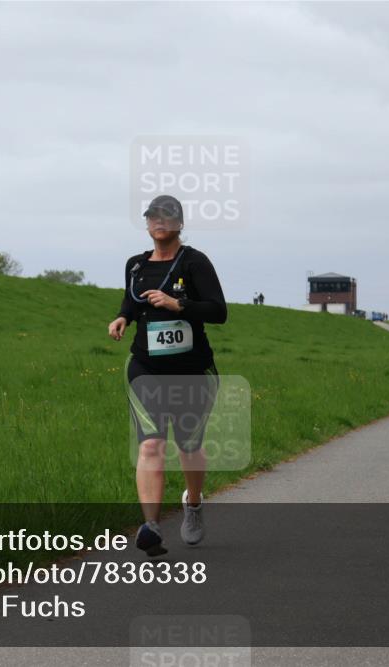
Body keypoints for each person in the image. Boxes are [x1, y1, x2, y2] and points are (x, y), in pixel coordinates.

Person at [108, 195, 227, 557]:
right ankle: (152, 526)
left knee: (188, 446)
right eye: (153, 216)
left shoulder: (195, 262)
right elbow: (133, 300)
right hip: (146, 367)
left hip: (192, 369)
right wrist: (123, 317)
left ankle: (192, 504)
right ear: (147, 224)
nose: (160, 221)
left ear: (179, 223)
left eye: (168, 216)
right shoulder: (135, 264)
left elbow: (219, 311)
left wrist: (179, 305)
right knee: (151, 444)